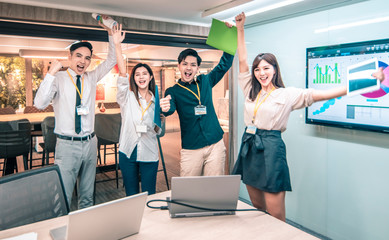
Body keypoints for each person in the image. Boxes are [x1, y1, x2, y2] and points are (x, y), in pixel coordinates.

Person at [232, 12, 385, 221]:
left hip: (270, 147)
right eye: (257, 69)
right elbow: (242, 58)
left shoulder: (287, 95)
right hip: (249, 144)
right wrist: (240, 28)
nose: (261, 73)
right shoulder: (249, 88)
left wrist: (360, 83)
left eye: (266, 68)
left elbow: (321, 94)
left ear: (275, 70)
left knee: (275, 214)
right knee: (257, 208)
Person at [34, 16, 119, 209]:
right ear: (70, 57)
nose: (83, 61)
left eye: (87, 57)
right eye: (79, 56)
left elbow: (111, 60)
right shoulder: (59, 78)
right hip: (67, 145)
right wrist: (50, 73)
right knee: (63, 195)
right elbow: (39, 104)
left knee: (87, 196)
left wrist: (109, 33)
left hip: (90, 143)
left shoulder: (91, 77)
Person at [160, 46, 234, 176]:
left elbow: (224, 65)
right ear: (179, 66)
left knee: (213, 187)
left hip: (215, 144)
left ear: (197, 68)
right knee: (189, 190)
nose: (189, 68)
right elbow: (169, 108)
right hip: (191, 148)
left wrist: (230, 38)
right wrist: (165, 108)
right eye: (185, 64)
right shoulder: (173, 91)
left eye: (193, 65)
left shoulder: (205, 81)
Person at [113, 25, 162, 196]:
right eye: (137, 74)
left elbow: (158, 130)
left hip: (149, 151)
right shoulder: (126, 97)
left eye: (144, 74)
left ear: (150, 77)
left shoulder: (157, 101)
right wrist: (117, 45)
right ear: (133, 78)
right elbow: (122, 75)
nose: (141, 77)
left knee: (150, 194)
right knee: (132, 195)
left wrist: (156, 126)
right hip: (128, 151)